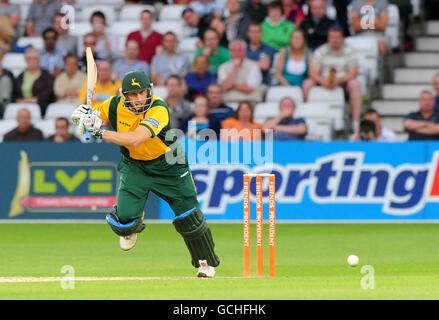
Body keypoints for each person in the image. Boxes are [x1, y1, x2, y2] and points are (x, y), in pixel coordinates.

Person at [70, 70, 220, 277]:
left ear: (149, 90)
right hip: (135, 165)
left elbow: (135, 139)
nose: (139, 98)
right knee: (123, 220)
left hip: (169, 164)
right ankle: (132, 218)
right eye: (133, 94)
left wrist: (99, 132)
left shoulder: (159, 108)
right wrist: (83, 114)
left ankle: (205, 264)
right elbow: (91, 115)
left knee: (189, 217)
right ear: (125, 96)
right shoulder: (114, 105)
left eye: (142, 92)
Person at [303, 25, 362, 132]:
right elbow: (313, 72)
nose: (334, 40)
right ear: (328, 38)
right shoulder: (321, 50)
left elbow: (353, 73)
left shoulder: (349, 51)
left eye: (337, 37)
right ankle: (308, 117)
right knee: (307, 83)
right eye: (332, 37)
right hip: (323, 80)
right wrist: (323, 81)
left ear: (342, 38)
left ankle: (355, 122)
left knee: (355, 84)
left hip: (342, 81)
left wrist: (338, 81)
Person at [14, 47, 55, 116]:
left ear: (39, 60)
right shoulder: (20, 76)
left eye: (34, 58)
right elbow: (14, 92)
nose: (31, 61)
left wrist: (36, 99)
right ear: (25, 60)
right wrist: (19, 100)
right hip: (22, 106)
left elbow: (49, 91)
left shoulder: (46, 75)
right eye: (29, 59)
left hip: (41, 107)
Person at [0, 48, 14, 117]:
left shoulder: (8, 74)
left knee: (5, 80)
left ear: (2, 57)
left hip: (3, 105)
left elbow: (13, 91)